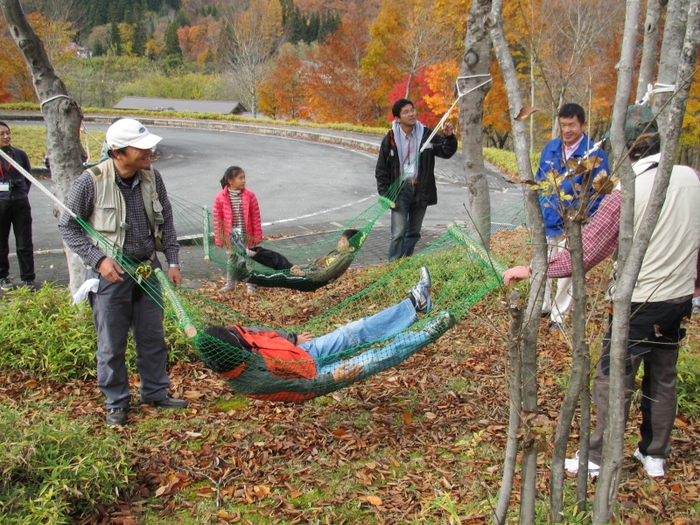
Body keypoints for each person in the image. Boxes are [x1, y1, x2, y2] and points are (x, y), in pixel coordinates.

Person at [503, 108, 700, 479]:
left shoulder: (628, 191)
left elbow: (587, 251)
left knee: (613, 380)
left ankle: (596, 456)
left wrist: (531, 269)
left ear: (628, 147)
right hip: (678, 300)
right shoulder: (693, 178)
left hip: (639, 301)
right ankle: (654, 454)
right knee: (663, 377)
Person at [58, 118, 187, 426]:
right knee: (111, 342)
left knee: (153, 337)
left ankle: (155, 391)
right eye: (141, 148)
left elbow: (166, 221)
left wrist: (172, 262)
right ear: (118, 152)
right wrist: (98, 260)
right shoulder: (90, 181)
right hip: (111, 275)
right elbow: (68, 227)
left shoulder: (152, 176)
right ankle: (116, 402)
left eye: (149, 146)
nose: (149, 152)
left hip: (147, 271)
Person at [203, 267, 456, 402]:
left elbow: (265, 333)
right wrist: (333, 379)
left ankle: (415, 303)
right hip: (318, 377)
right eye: (237, 339)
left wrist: (292, 339)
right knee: (374, 359)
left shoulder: (232, 336)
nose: (238, 333)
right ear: (235, 355)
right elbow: (298, 390)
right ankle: (430, 331)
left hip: (303, 353)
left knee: (354, 330)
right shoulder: (252, 382)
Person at [535, 103, 610, 332]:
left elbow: (600, 190)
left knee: (567, 269)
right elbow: (540, 181)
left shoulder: (594, 154)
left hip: (574, 224)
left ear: (582, 125)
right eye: (563, 125)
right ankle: (543, 306)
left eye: (572, 125)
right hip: (547, 220)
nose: (567, 130)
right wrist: (541, 207)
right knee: (543, 264)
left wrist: (582, 217)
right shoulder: (551, 148)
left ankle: (559, 316)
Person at [375, 99, 457, 262]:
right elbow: (381, 168)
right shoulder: (391, 138)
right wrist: (385, 193)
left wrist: (449, 137)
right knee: (398, 233)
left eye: (412, 110)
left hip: (421, 189)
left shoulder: (427, 134)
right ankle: (394, 265)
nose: (411, 114)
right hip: (400, 190)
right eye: (406, 112)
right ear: (397, 118)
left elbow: (446, 152)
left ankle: (405, 262)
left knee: (413, 232)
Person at [213, 166, 262, 295]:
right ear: (230, 180)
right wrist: (219, 238)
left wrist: (257, 235)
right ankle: (230, 283)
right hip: (231, 235)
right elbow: (217, 220)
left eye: (244, 177)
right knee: (232, 258)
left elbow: (255, 216)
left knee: (250, 258)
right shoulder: (220, 197)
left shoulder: (250, 196)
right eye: (240, 178)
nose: (243, 180)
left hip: (248, 234)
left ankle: (251, 283)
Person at [246, 228, 361, 282]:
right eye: (340, 240)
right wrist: (301, 267)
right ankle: (252, 252)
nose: (339, 243)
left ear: (351, 247)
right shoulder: (337, 253)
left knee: (279, 272)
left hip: (308, 278)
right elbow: (317, 264)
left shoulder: (344, 257)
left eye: (342, 241)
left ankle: (250, 272)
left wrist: (304, 272)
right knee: (279, 261)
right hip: (307, 272)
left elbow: (324, 274)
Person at [0, 121, 36, 291]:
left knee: (24, 243)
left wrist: (21, 192)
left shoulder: (20, 154)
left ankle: (28, 279)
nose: (6, 136)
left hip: (20, 203)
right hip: (1, 203)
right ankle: (2, 277)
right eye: (1, 134)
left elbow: (28, 177)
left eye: (8, 133)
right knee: (1, 243)